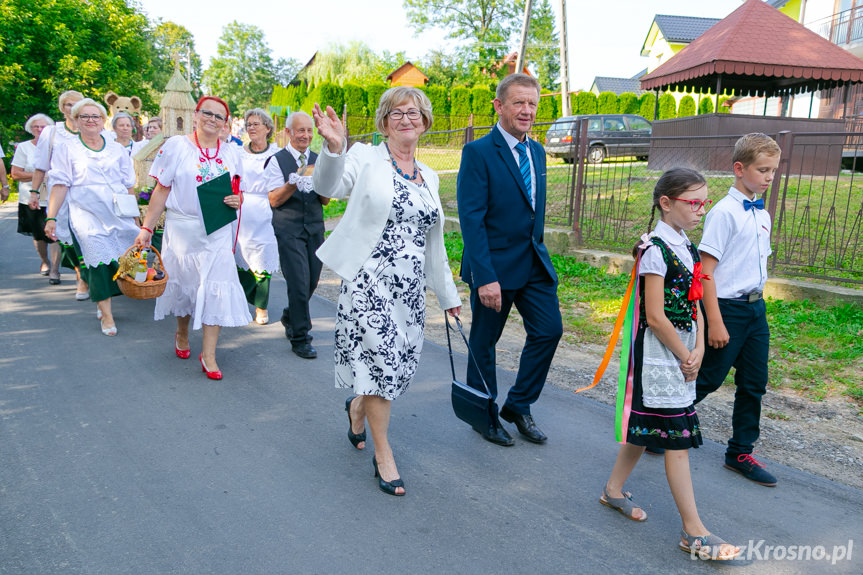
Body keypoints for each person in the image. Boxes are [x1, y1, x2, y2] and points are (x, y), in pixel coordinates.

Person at [312, 87, 461, 496]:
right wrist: (334, 147)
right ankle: (384, 455)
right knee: (379, 363)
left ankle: (357, 407)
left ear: (426, 121)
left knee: (394, 368)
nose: (406, 119)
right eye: (396, 113)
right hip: (368, 281)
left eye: (414, 112)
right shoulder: (364, 158)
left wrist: (448, 296)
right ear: (384, 122)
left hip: (409, 290)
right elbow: (328, 187)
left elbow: (433, 244)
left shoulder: (429, 176)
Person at [598, 168, 740, 561]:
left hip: (681, 352)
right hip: (659, 356)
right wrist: (684, 353)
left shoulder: (686, 246)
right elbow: (656, 317)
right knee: (676, 439)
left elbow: (693, 299)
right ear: (666, 203)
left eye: (704, 203)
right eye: (694, 203)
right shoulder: (656, 251)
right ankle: (693, 532)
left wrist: (696, 348)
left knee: (648, 428)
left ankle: (612, 490)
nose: (701, 211)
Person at [456, 73, 563, 446]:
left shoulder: (536, 151)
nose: (527, 110)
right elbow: (472, 219)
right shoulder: (478, 152)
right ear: (499, 106)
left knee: (550, 331)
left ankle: (518, 405)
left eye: (532, 103)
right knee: (485, 342)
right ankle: (482, 415)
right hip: (494, 268)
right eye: (518, 102)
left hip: (533, 263)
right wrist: (485, 277)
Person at [134, 95, 250, 380]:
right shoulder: (176, 146)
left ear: (226, 123)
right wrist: (147, 228)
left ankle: (209, 354)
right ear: (195, 115)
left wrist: (238, 200)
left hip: (218, 231)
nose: (212, 119)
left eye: (219, 116)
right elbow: (161, 190)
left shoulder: (234, 152)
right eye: (206, 113)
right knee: (185, 285)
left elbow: (239, 190)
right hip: (183, 230)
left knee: (216, 286)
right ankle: (182, 333)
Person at [695, 133, 782, 487]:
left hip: (755, 309)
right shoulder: (723, 214)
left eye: (773, 171)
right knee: (709, 378)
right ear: (739, 168)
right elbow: (705, 272)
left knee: (754, 383)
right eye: (762, 170)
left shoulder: (762, 213)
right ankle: (660, 421)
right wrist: (714, 321)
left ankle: (740, 451)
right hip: (725, 309)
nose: (768, 177)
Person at [44, 98, 140, 336]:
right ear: (76, 121)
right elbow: (59, 184)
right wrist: (51, 217)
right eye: (84, 116)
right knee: (96, 261)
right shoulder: (67, 148)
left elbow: (129, 185)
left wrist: (136, 218)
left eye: (95, 116)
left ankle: (105, 295)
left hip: (118, 211)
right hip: (85, 213)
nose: (90, 120)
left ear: (103, 120)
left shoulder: (116, 148)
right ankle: (106, 313)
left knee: (127, 258)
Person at [264, 111, 327, 357]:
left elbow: (326, 199)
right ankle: (300, 337)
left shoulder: (318, 159)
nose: (306, 135)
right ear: (289, 132)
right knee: (299, 283)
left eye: (309, 131)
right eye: (301, 130)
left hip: (314, 226)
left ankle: (290, 315)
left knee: (311, 280)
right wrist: (294, 181)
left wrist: (321, 181)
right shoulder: (276, 160)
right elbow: (273, 200)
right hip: (288, 227)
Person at [31, 89, 89, 293]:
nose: (72, 108)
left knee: (86, 235)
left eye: (76, 104)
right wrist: (34, 192)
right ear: (62, 108)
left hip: (86, 193)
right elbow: (41, 165)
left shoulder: (90, 129)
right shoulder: (52, 132)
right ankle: (80, 272)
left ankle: (84, 276)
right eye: (68, 104)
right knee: (67, 237)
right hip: (60, 192)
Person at [235, 108, 280, 325]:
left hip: (266, 209)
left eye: (256, 124)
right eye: (249, 124)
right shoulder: (238, 153)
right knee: (241, 256)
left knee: (262, 257)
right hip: (241, 211)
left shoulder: (276, 153)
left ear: (268, 129)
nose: (251, 128)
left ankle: (261, 307)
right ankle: (243, 300)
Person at [11, 114, 57, 276]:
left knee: (56, 233)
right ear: (31, 129)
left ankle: (55, 270)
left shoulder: (57, 146)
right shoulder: (24, 147)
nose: (39, 130)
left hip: (54, 195)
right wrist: (39, 175)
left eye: (43, 127)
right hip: (31, 197)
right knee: (39, 235)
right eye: (36, 127)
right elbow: (15, 174)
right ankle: (45, 261)